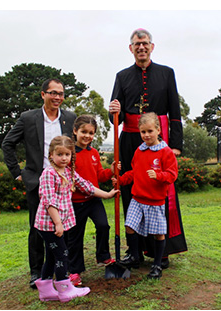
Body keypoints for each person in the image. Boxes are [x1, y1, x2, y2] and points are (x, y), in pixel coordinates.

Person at [109, 28, 187, 266]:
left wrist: (175, 146)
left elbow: (175, 112)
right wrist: (112, 111)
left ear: (152, 46)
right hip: (130, 142)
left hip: (160, 143)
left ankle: (159, 251)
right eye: (136, 44)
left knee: (157, 191)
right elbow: (116, 118)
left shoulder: (166, 73)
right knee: (131, 195)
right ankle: (135, 252)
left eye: (144, 43)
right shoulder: (122, 76)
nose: (141, 47)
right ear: (130, 48)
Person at [2, 79, 77, 288]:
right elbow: (8, 143)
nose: (57, 97)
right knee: (37, 230)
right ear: (43, 94)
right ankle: (36, 273)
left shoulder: (70, 118)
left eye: (61, 93)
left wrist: (73, 175)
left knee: (64, 228)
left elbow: (75, 148)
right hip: (38, 181)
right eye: (53, 93)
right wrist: (17, 173)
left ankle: (61, 269)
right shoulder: (28, 118)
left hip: (62, 182)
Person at [34, 136, 119, 302]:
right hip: (50, 225)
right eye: (60, 154)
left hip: (60, 224)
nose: (64, 158)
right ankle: (65, 289)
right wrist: (58, 223)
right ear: (51, 155)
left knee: (52, 256)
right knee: (62, 255)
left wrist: (107, 195)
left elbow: (87, 186)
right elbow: (49, 201)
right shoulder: (48, 174)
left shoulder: (68, 172)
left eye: (68, 154)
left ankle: (45, 290)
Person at [114, 113, 178, 279]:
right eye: (143, 132)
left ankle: (157, 265)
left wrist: (159, 176)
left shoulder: (166, 152)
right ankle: (135, 255)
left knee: (158, 233)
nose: (146, 135)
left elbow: (172, 175)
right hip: (137, 199)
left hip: (155, 201)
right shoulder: (139, 151)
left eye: (150, 131)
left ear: (158, 129)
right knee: (130, 226)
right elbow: (134, 173)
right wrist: (120, 180)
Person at [67, 115, 117, 286]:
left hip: (94, 200)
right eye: (84, 132)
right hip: (76, 202)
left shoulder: (94, 153)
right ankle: (74, 271)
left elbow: (99, 176)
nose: (87, 136)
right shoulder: (70, 153)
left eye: (91, 133)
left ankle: (103, 257)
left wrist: (110, 171)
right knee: (75, 237)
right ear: (75, 131)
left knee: (103, 225)